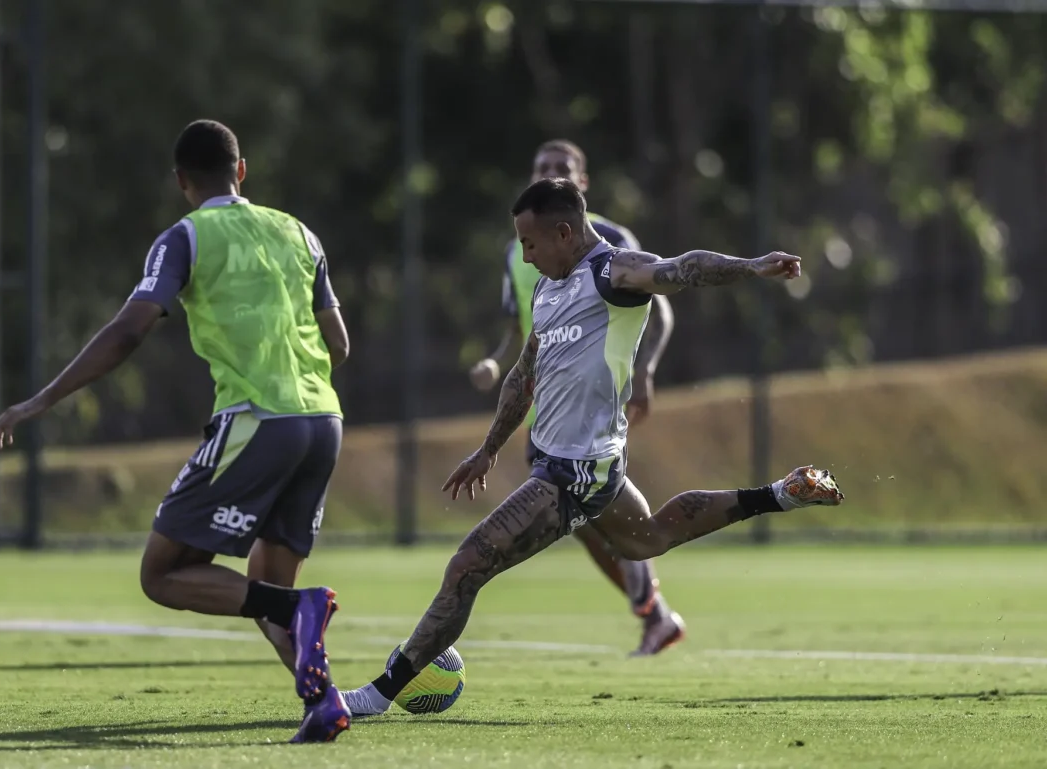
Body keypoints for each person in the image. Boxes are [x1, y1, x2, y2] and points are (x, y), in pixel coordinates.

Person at [343, 177, 844, 718]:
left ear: (564, 232)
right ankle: (781, 494)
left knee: (467, 566)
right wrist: (488, 449)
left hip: (575, 471)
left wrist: (750, 267)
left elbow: (683, 267)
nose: (527, 257)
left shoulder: (612, 272)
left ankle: (377, 695)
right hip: (585, 465)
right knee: (648, 539)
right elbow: (522, 376)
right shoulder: (547, 290)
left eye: (531, 245)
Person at [0, 119, 352, 743]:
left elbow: (129, 331)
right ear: (242, 170)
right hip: (324, 421)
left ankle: (300, 610)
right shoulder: (300, 232)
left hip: (258, 421)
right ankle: (324, 700)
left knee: (163, 574)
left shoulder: (184, 236)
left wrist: (41, 400)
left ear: (182, 181)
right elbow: (339, 342)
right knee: (261, 587)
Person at [468, 139, 683, 656]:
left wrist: (646, 370)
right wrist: (497, 363)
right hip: (543, 412)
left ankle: (653, 611)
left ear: (582, 182)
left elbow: (661, 307)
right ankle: (653, 612)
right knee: (583, 524)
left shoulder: (609, 239)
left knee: (602, 514)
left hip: (595, 406)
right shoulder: (517, 250)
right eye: (543, 167)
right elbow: (518, 332)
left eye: (563, 168)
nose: (552, 172)